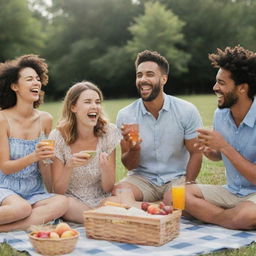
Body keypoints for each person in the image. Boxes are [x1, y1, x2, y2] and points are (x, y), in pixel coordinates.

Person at [115, 50, 203, 205]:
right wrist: (134, 149)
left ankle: (150, 207)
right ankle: (156, 208)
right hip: (141, 179)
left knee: (179, 199)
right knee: (119, 191)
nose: (143, 79)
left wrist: (188, 183)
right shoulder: (125, 115)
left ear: (164, 79)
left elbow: (196, 153)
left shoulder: (187, 110)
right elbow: (129, 165)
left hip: (176, 178)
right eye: (139, 75)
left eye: (149, 74)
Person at [185, 45, 256, 230]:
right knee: (177, 195)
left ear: (242, 88)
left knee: (249, 214)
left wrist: (224, 147)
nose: (215, 87)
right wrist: (212, 151)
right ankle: (230, 219)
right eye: (217, 81)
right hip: (232, 192)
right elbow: (219, 154)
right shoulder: (220, 115)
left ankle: (226, 216)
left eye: (222, 83)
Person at [0, 54, 68, 232]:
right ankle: (26, 219)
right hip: (6, 188)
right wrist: (34, 156)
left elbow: (44, 166)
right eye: (29, 79)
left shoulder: (45, 119)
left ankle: (8, 227)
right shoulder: (2, 119)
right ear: (15, 86)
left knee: (61, 202)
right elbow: (5, 167)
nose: (36, 83)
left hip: (34, 191)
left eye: (38, 79)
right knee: (21, 208)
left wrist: (47, 162)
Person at [49, 81, 122, 223]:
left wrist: (105, 168)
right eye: (88, 102)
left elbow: (108, 187)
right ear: (73, 107)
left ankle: (100, 219)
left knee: (123, 193)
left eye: (97, 102)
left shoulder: (108, 132)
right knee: (63, 203)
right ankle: (104, 220)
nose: (95, 106)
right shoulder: (58, 137)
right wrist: (69, 166)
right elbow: (57, 191)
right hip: (73, 202)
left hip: (102, 199)